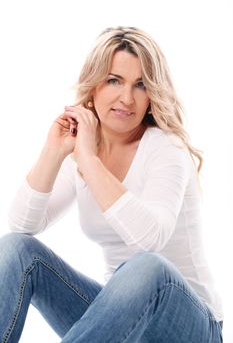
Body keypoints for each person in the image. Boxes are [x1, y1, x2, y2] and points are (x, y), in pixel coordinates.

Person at [0, 26, 223, 343]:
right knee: (16, 249)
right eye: (114, 80)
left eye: (141, 85)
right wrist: (54, 151)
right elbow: (22, 224)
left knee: (147, 267)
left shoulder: (166, 150)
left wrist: (88, 159)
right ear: (93, 87)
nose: (127, 98)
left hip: (190, 327)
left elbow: (150, 239)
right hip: (120, 324)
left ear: (152, 97)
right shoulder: (83, 146)